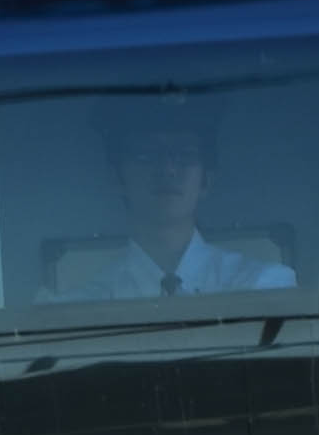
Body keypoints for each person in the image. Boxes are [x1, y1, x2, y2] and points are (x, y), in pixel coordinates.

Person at [73, 104, 293, 298]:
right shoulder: (79, 306)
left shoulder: (263, 287)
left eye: (185, 154)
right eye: (146, 155)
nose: (167, 170)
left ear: (206, 180)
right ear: (116, 178)